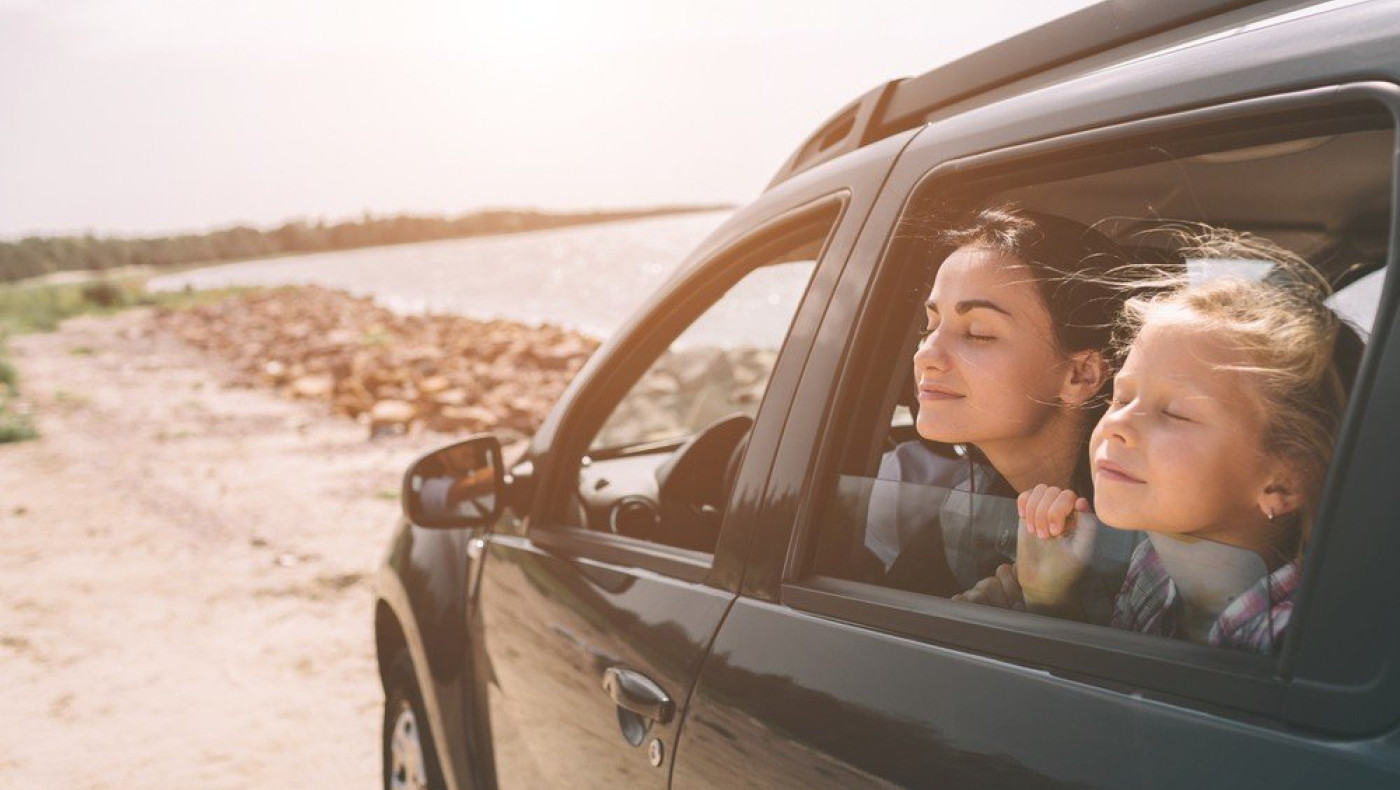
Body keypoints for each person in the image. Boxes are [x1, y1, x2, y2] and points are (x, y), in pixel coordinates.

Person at [965, 229, 1355, 654]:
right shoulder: (1153, 569)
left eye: (1175, 413)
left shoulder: (1303, 647)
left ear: (1284, 483)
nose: (1117, 424)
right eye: (1122, 396)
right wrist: (1049, 601)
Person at [865, 204, 1132, 596]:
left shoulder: (1145, 551)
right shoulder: (966, 514)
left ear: (1081, 375)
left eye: (977, 333)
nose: (925, 355)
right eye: (931, 326)